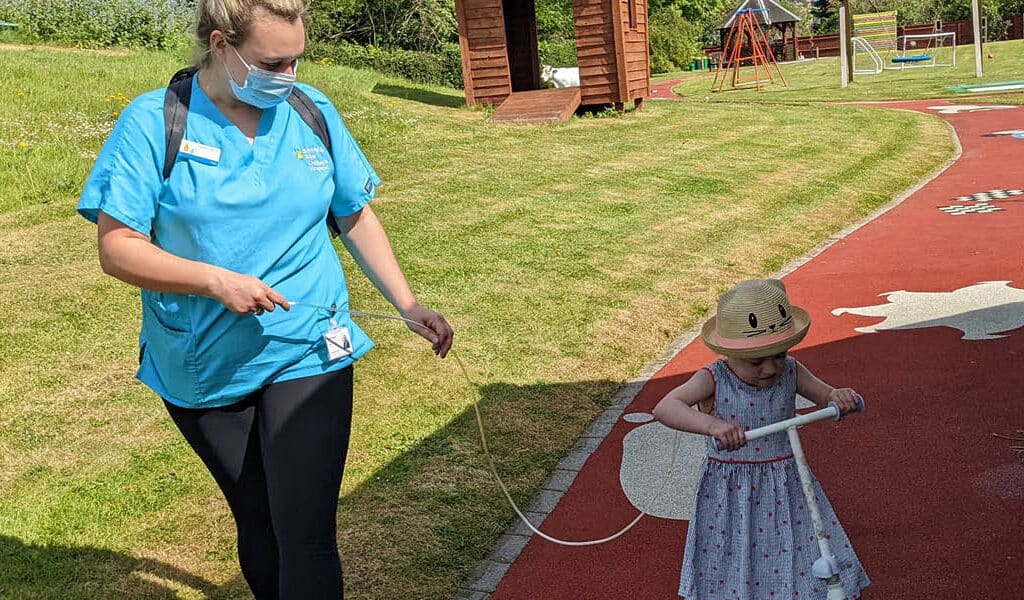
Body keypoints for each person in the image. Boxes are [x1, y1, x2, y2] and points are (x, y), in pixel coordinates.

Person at [76, 0, 453, 597]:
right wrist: (213, 281)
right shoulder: (155, 122)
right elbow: (117, 247)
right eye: (273, 62)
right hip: (203, 363)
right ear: (221, 45)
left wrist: (407, 304)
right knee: (260, 521)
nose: (289, 76)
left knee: (305, 530)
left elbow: (352, 213)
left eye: (297, 60)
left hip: (311, 346)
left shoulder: (311, 111)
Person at [653, 279, 869, 599]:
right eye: (756, 361)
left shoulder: (791, 371)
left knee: (804, 544)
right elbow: (665, 407)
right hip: (730, 487)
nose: (770, 368)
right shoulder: (715, 377)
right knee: (734, 552)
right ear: (729, 354)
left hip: (787, 480)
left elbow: (825, 394)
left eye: (779, 355)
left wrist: (838, 396)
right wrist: (714, 426)